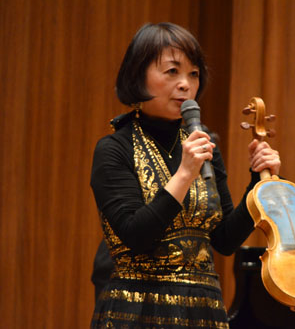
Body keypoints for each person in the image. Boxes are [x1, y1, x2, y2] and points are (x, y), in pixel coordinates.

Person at [90, 22, 281, 329]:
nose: (186, 84)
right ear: (138, 75)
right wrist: (183, 174)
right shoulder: (114, 148)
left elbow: (224, 240)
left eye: (193, 74)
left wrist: (256, 182)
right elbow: (136, 235)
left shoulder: (204, 144)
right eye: (172, 72)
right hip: (137, 312)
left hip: (202, 312)